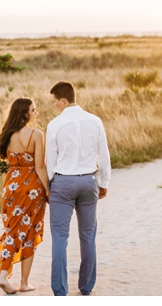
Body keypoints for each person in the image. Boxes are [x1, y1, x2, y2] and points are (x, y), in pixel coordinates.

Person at [45, 81, 111, 297]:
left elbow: (50, 161)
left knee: (59, 237)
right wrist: (104, 182)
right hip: (89, 181)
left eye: (55, 102)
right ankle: (86, 286)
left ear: (63, 100)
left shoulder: (55, 125)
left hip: (63, 183)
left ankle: (60, 291)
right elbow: (104, 154)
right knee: (88, 235)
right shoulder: (95, 121)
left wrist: (52, 185)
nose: (55, 106)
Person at [0, 96, 49, 294]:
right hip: (32, 189)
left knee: (13, 231)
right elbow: (40, 167)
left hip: (10, 187)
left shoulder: (7, 134)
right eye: (33, 110)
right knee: (29, 233)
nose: (36, 113)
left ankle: (8, 276)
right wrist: (48, 190)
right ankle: (12, 278)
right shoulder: (36, 134)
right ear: (24, 112)